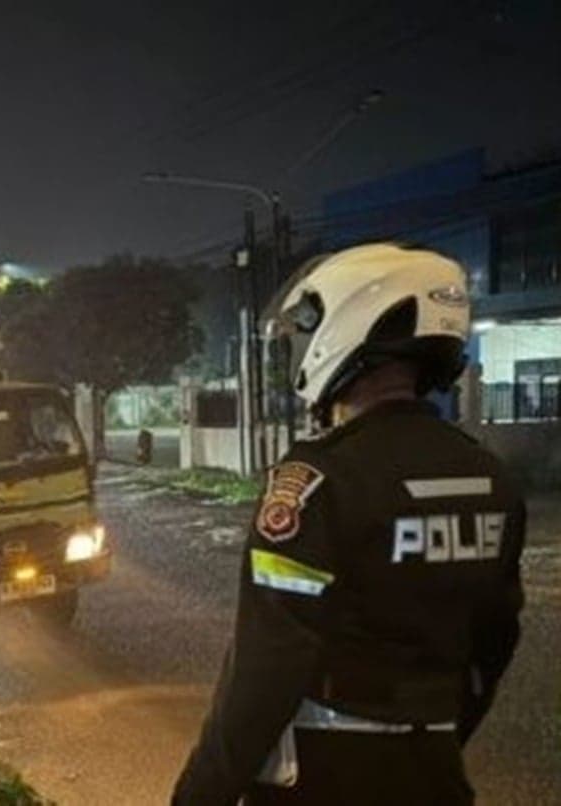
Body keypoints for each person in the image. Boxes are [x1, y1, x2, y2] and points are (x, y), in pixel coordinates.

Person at [172, 244, 525, 806]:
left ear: (346, 324)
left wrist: (198, 794)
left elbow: (266, 668)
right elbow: (495, 640)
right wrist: (434, 733)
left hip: (326, 777)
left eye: (305, 327)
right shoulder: (489, 477)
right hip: (435, 774)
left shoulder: (317, 481)